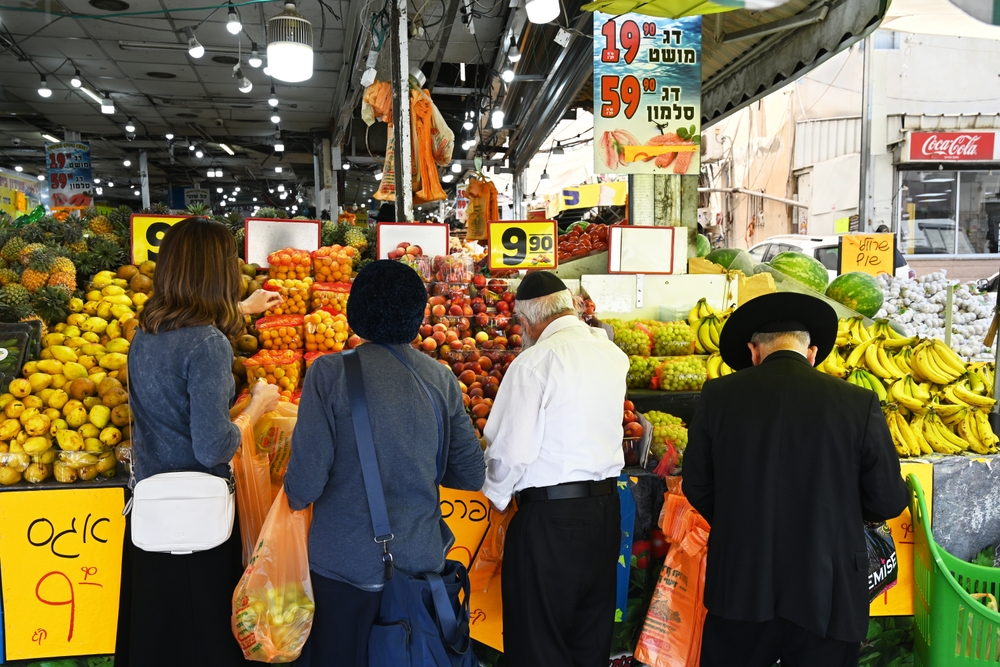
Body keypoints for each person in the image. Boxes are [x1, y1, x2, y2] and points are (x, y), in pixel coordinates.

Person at [683, 292, 909, 667]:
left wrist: (738, 521)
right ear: (812, 352)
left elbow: (697, 485)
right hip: (829, 589)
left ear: (754, 352)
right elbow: (886, 500)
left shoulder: (718, 396)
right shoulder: (858, 402)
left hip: (742, 580)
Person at [284, 260, 485, 667]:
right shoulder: (441, 377)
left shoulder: (328, 373)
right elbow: (470, 473)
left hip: (344, 566)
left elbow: (303, 487)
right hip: (419, 565)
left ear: (355, 312)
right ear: (418, 315)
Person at [127, 217, 284, 666]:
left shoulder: (147, 331)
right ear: (218, 271)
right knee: (204, 639)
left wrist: (241, 311)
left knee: (160, 639)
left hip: (153, 512)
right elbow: (213, 447)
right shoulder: (209, 344)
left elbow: (187, 349)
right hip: (199, 520)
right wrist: (256, 406)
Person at [483, 271, 629, 667]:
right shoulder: (613, 355)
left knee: (538, 643)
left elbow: (510, 452)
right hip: (606, 512)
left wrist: (492, 496)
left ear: (527, 321)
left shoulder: (535, 362)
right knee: (589, 639)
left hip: (550, 520)